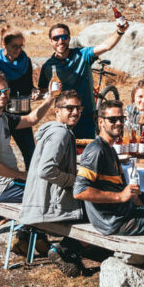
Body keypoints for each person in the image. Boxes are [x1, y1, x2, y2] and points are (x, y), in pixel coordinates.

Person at [19, 93, 88, 276]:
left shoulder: (54, 131)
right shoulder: (61, 133)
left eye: (78, 108)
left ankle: (68, 252)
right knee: (99, 212)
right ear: (57, 111)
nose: (75, 112)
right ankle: (64, 249)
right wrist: (74, 180)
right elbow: (46, 170)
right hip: (49, 206)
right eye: (70, 108)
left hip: (42, 201)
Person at [0, 75, 54, 211]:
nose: (3, 96)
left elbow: (31, 119)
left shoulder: (1, 116)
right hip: (1, 188)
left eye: (6, 91)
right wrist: (22, 175)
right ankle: (28, 229)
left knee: (52, 185)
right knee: (54, 194)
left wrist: (51, 97)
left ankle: (29, 229)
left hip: (9, 182)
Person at [37, 18, 129, 141]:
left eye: (64, 37)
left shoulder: (82, 55)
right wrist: (38, 94)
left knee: (86, 154)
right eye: (56, 38)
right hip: (64, 118)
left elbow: (106, 46)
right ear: (50, 41)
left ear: (69, 38)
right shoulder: (48, 67)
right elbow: (44, 93)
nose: (60, 41)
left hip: (85, 117)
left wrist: (119, 31)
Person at [74, 102, 144, 236]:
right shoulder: (96, 150)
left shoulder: (110, 149)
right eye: (113, 119)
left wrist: (137, 201)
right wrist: (120, 196)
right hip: (114, 222)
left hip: (124, 214)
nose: (119, 123)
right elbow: (80, 191)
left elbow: (124, 189)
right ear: (101, 122)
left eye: (121, 119)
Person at [0, 29, 37, 168]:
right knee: (0, 156)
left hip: (22, 115)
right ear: (4, 45)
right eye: (14, 46)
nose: (18, 50)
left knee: (31, 154)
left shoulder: (26, 62)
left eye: (21, 46)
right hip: (0, 116)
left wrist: (34, 91)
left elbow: (29, 86)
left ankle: (30, 185)